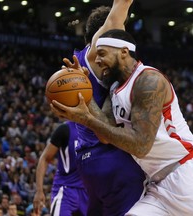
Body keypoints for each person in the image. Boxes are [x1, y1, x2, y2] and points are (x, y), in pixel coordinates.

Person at [50, 29, 193, 215]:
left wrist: (87, 119)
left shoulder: (149, 81)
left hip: (187, 174)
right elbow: (105, 134)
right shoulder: (115, 88)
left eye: (102, 54)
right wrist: (85, 91)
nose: (97, 61)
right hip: (157, 186)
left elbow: (141, 145)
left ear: (123, 52)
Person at [62, 0, 146, 215]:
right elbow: (119, 10)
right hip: (111, 156)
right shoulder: (95, 56)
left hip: (88, 162)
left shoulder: (83, 60)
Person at [33, 121, 88, 216]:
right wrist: (39, 190)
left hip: (89, 192)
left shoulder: (96, 130)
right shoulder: (65, 129)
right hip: (66, 189)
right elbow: (45, 158)